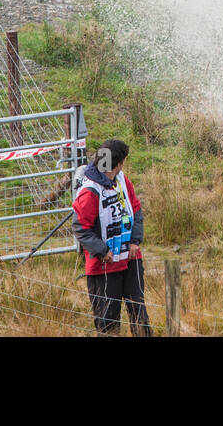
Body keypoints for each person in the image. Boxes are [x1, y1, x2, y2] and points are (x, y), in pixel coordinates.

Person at [73, 138, 151, 336]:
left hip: (130, 259)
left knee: (139, 313)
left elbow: (136, 209)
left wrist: (135, 241)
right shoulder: (90, 191)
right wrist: (102, 250)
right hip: (103, 266)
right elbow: (80, 227)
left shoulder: (123, 180)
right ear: (118, 163)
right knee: (108, 321)